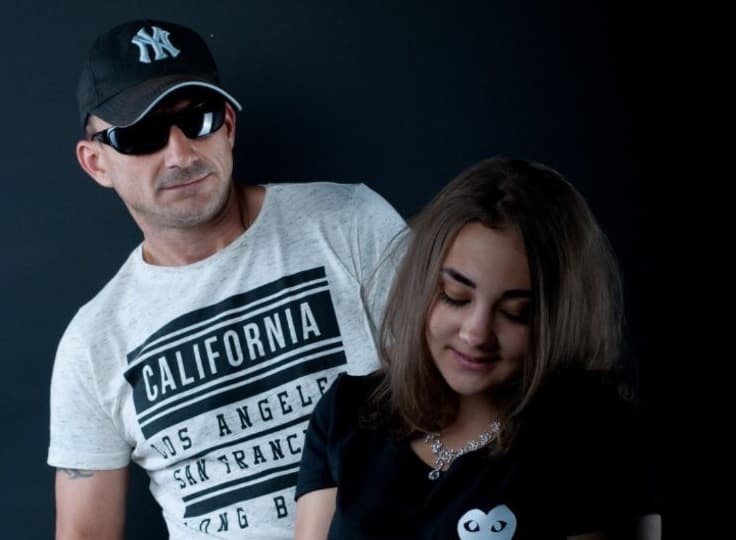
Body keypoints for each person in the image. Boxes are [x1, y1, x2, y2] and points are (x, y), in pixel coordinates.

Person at [47, 19, 406, 540]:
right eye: (142, 135)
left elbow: (466, 395)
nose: (180, 154)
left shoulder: (350, 223)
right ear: (96, 163)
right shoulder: (92, 343)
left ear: (229, 126)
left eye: (199, 119)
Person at [294, 157, 661, 539]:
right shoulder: (345, 413)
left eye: (516, 313)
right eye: (455, 296)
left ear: (555, 321)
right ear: (422, 287)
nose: (476, 333)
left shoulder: (590, 435)